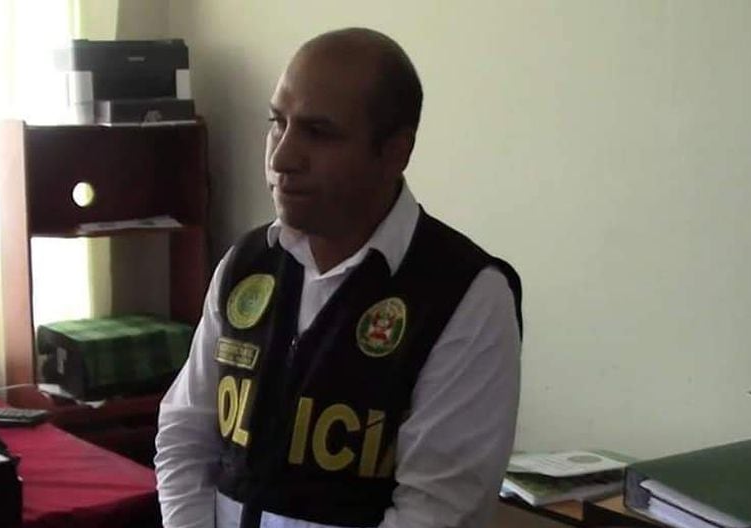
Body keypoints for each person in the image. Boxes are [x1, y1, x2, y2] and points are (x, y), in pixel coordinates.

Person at [155, 27, 523, 528]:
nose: (281, 158)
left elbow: (438, 510)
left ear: (395, 152)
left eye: (318, 132)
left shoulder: (464, 295)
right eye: (277, 123)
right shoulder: (248, 264)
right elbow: (184, 434)